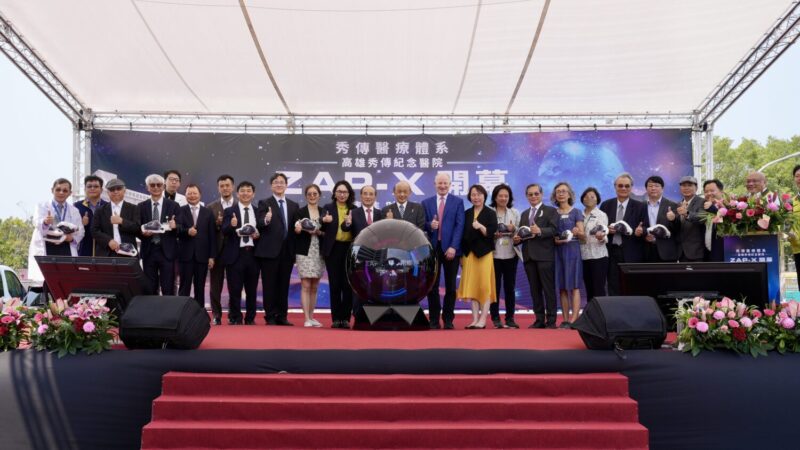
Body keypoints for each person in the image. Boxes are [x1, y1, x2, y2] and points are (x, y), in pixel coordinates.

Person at [422, 173, 465, 329]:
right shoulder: (426, 202)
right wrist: (429, 225)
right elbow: (422, 224)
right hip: (432, 250)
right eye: (439, 183)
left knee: (451, 287)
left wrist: (454, 246)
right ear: (435, 184)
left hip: (451, 250)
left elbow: (460, 225)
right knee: (432, 286)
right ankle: (434, 319)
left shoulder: (457, 202)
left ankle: (448, 319)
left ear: (450, 184)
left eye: (445, 183)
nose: (442, 186)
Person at [256, 173, 299, 326]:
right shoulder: (264, 203)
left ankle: (282, 315)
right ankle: (270, 316)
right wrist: (266, 219)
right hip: (269, 251)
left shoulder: (294, 205)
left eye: (282, 182)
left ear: (286, 185)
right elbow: (259, 223)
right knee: (269, 285)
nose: (279, 184)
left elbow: (295, 227)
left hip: (287, 251)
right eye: (276, 182)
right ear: (271, 186)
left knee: (284, 284)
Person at [515, 183, 558, 328]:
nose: (533, 196)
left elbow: (554, 230)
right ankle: (539, 320)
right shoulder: (524, 214)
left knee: (548, 289)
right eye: (530, 194)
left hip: (545, 256)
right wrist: (517, 239)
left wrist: (540, 231)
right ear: (526, 196)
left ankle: (551, 320)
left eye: (536, 194)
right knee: (534, 290)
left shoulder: (551, 211)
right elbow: (523, 233)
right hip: (528, 257)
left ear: (541, 194)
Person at [457, 184, 498, 329]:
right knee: (472, 287)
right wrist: (461, 255)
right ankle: (474, 319)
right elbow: (462, 235)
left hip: (484, 254)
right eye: (473, 195)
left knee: (484, 286)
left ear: (484, 196)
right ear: (470, 197)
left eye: (479, 194)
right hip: (469, 254)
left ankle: (483, 319)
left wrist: (480, 226)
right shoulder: (467, 213)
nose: (476, 197)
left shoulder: (490, 213)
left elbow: (491, 233)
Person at [220, 181, 260, 325]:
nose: (245, 193)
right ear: (237, 194)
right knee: (234, 289)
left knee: (252, 290)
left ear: (253, 194)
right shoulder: (229, 211)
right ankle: (235, 317)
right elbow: (224, 231)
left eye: (249, 191)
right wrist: (232, 225)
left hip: (253, 255)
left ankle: (250, 318)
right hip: (235, 256)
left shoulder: (258, 211)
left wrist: (258, 235)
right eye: (242, 191)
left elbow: (264, 231)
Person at [29, 179, 85, 281]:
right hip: (47, 246)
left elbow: (81, 231)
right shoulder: (42, 206)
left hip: (66, 248)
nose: (61, 193)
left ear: (70, 193)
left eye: (65, 190)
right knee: (46, 281)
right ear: (52, 190)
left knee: (66, 280)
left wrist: (71, 239)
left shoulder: (74, 210)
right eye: (58, 189)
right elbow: (36, 222)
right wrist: (45, 222)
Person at [599, 173, 646, 296]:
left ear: (631, 187)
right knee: (612, 284)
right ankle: (614, 308)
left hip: (632, 252)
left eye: (627, 186)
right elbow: (600, 227)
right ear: (615, 187)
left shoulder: (640, 206)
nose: (623, 188)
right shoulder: (606, 205)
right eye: (620, 186)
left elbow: (645, 227)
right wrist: (606, 230)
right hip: (610, 251)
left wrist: (640, 231)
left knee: (631, 285)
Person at [321, 180, 355, 329]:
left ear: (349, 194)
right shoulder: (327, 208)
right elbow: (320, 225)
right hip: (333, 249)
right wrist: (324, 220)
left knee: (347, 286)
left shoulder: (354, 209)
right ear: (334, 193)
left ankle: (345, 319)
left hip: (349, 249)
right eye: (339, 192)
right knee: (334, 285)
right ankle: (336, 319)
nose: (342, 194)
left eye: (345, 192)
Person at [138, 174, 180, 295]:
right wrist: (142, 233)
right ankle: (152, 308)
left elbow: (181, 227)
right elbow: (137, 227)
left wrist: (175, 226)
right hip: (149, 251)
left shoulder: (173, 205)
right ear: (147, 187)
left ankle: (168, 308)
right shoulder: (141, 206)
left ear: (163, 187)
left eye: (159, 185)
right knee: (150, 287)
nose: (156, 187)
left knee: (168, 287)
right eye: (152, 185)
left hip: (167, 252)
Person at [176, 184, 216, 309]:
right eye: (189, 193)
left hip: (202, 256)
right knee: (184, 287)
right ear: (185, 195)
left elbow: (212, 235)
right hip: (185, 256)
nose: (192, 196)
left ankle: (199, 314)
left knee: (200, 287)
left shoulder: (208, 212)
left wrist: (212, 256)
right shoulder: (180, 210)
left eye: (195, 193)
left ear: (200, 195)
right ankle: (182, 313)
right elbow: (176, 229)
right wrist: (187, 231)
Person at [293, 184, 327, 327]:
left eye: (315, 194)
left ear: (319, 195)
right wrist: (298, 230)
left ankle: (312, 317)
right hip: (304, 251)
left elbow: (327, 233)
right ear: (306, 196)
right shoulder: (299, 212)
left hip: (319, 251)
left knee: (315, 286)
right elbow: (295, 231)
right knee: (306, 284)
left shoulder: (324, 212)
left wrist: (318, 232)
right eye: (309, 194)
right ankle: (306, 318)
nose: (312, 196)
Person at [552, 182, 584, 328]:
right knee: (562, 287)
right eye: (558, 191)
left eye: (564, 191)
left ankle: (574, 319)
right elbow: (552, 235)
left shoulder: (576, 212)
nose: (561, 194)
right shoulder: (553, 213)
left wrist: (578, 232)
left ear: (570, 194)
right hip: (558, 251)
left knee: (575, 286)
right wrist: (556, 240)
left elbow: (583, 235)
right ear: (555, 195)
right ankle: (565, 319)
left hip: (573, 250)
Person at [488, 184, 520, 328]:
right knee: (494, 288)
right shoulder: (489, 213)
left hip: (511, 255)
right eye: (500, 196)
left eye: (506, 196)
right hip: (493, 255)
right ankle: (495, 317)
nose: (503, 198)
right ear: (495, 197)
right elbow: (484, 232)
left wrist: (514, 229)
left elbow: (521, 233)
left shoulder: (515, 213)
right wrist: (493, 234)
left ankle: (510, 318)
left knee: (510, 288)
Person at [206, 174, 235, 325]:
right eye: (222, 186)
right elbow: (207, 232)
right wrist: (217, 224)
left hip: (235, 251)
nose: (225, 188)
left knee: (234, 285)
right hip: (217, 251)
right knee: (215, 286)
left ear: (233, 187)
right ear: (218, 188)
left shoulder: (240, 205)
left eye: (227, 185)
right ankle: (216, 315)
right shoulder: (210, 207)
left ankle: (233, 315)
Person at [91, 178, 140, 258]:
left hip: (128, 253)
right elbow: (94, 230)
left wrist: (122, 221)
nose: (115, 191)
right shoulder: (100, 210)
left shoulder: (134, 208)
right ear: (108, 192)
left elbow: (137, 228)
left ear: (124, 191)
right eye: (112, 189)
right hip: (106, 253)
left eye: (118, 188)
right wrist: (108, 241)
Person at [579, 187, 609, 301]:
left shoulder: (601, 214)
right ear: (582, 200)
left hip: (598, 256)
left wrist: (601, 237)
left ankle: (601, 312)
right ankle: (590, 311)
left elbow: (604, 232)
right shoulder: (579, 215)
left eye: (592, 196)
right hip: (583, 256)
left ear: (597, 199)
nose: (589, 198)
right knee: (589, 288)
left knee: (599, 289)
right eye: (586, 196)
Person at [642, 176, 680, 263]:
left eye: (656, 186)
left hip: (666, 252)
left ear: (662, 189)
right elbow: (639, 226)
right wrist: (645, 235)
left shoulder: (672, 205)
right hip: (646, 251)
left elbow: (678, 228)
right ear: (646, 189)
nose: (653, 188)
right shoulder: (641, 206)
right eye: (650, 186)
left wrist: (673, 219)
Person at [74, 175, 108, 256]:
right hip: (83, 251)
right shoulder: (76, 206)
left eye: (96, 186)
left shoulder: (108, 207)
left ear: (101, 190)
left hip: (104, 251)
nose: (92, 188)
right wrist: (81, 224)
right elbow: (71, 230)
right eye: (89, 186)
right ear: (85, 189)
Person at [676, 176, 705, 262]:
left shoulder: (702, 202)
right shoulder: (678, 204)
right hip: (680, 253)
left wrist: (687, 214)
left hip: (696, 252)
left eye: (689, 185)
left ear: (696, 188)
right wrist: (672, 219)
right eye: (683, 186)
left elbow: (702, 218)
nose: (686, 188)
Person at [702, 179, 725, 262]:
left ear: (721, 191)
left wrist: (712, 208)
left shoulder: (729, 205)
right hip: (705, 254)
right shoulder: (703, 207)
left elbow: (725, 221)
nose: (709, 194)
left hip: (722, 253)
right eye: (706, 191)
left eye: (712, 191)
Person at [789, 166, 800, 290]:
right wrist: (788, 235)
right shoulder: (791, 202)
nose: (799, 179)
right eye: (797, 176)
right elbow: (786, 224)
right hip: (798, 249)